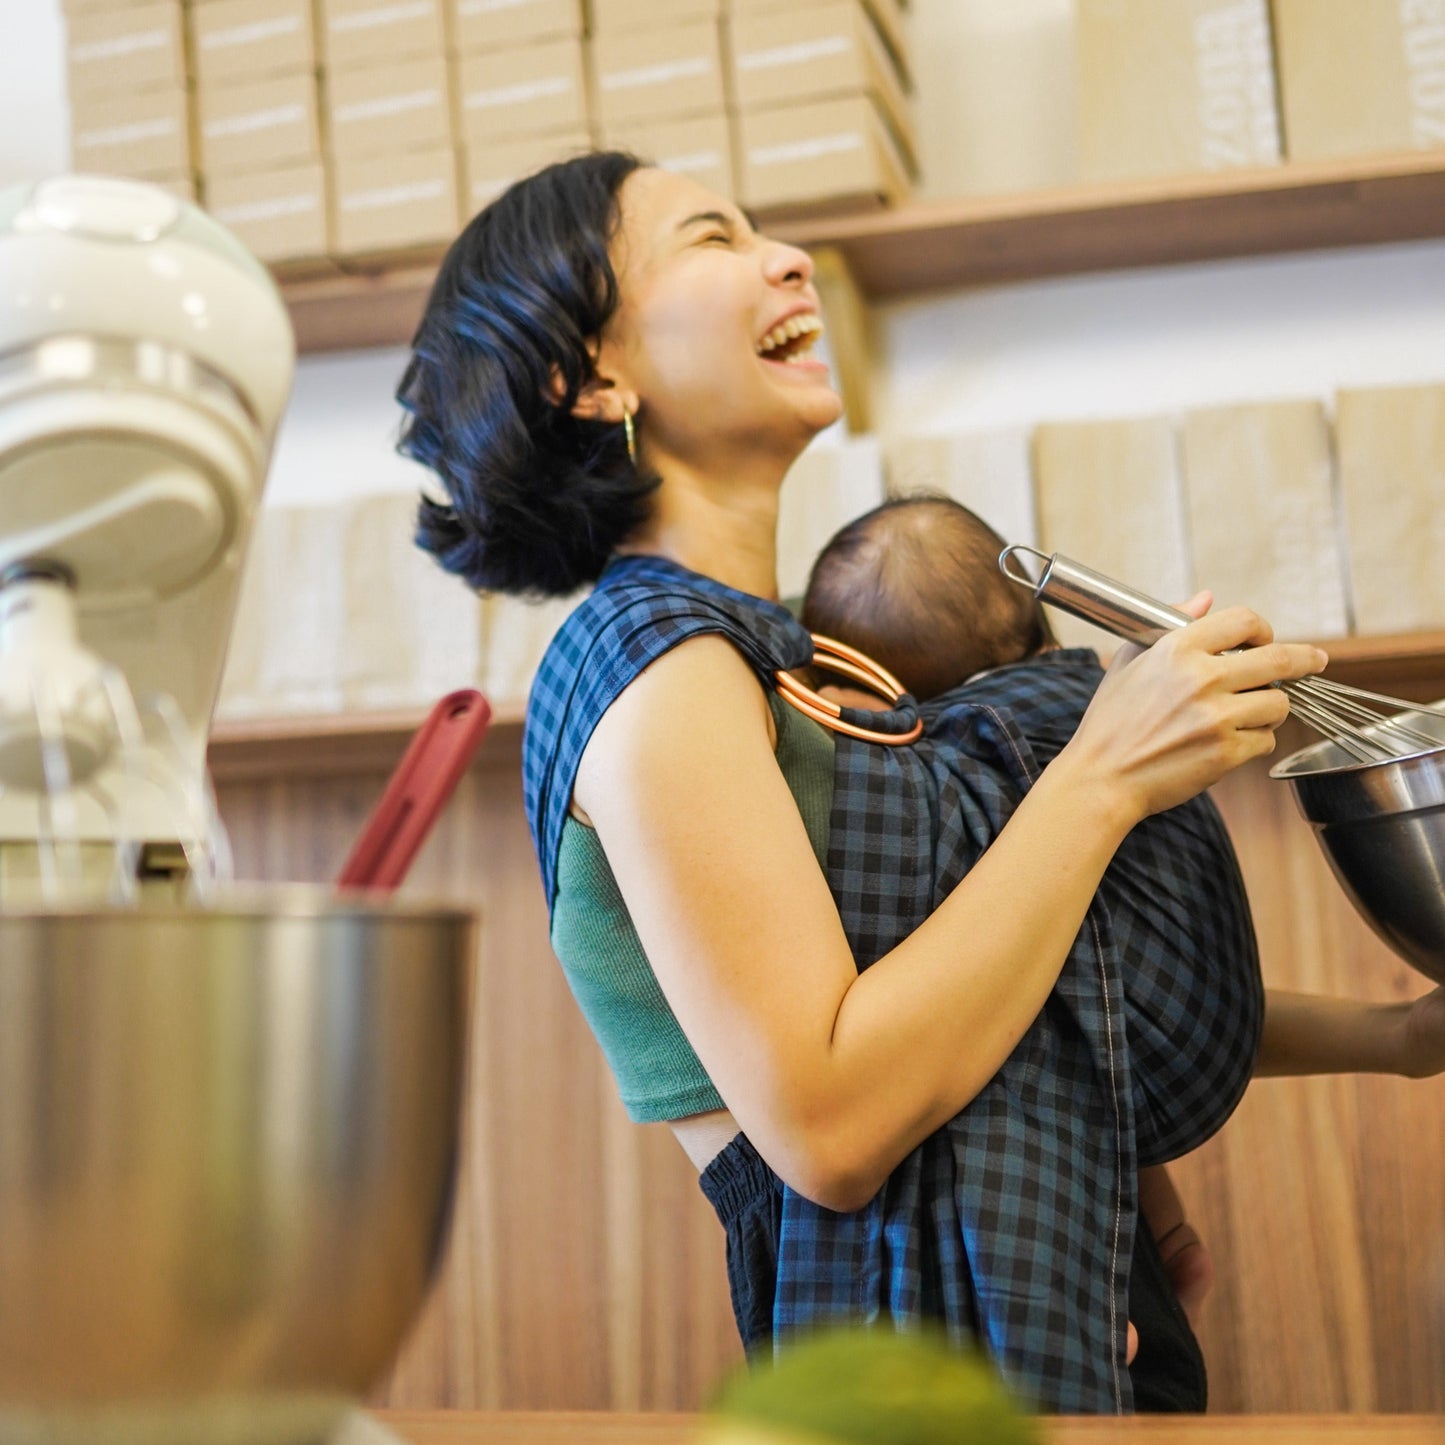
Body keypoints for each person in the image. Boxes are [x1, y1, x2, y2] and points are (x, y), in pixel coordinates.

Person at [394, 151, 1352, 1412]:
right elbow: (829, 1124)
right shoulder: (653, 671)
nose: (784, 257)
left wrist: (1391, 1042)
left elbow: (1015, 972)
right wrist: (1104, 767)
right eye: (711, 238)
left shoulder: (790, 662)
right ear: (591, 378)